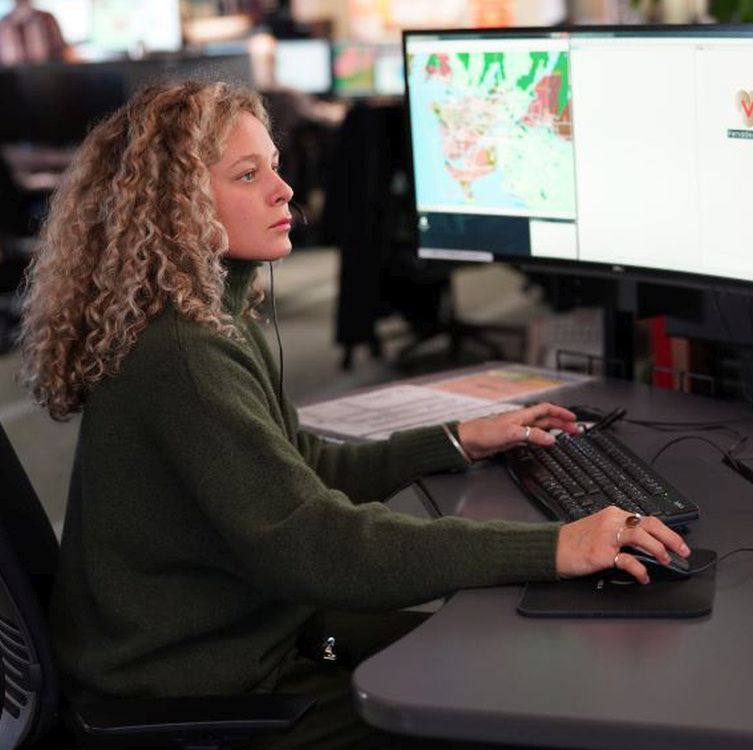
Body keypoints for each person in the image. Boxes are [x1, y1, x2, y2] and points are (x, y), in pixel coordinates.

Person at [19, 80, 690, 749]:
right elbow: (315, 544)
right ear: (173, 209)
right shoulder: (183, 354)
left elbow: (302, 470)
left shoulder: (209, 314)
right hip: (202, 683)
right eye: (248, 175)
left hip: (252, 633)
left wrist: (456, 440)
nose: (284, 190)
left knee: (509, 645)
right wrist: (555, 545)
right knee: (516, 689)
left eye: (274, 166)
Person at [0, 0, 76, 66]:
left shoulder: (46, 19)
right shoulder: (3, 24)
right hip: (14, 80)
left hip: (47, 77)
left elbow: (63, 51)